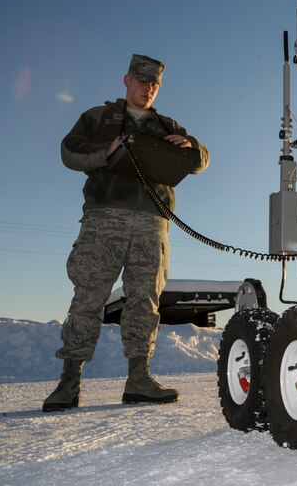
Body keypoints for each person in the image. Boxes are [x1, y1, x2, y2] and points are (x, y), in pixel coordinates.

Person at [43, 54, 210, 412]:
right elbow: (69, 151)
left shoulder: (167, 124)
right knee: (89, 297)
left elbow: (202, 159)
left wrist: (191, 148)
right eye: (141, 81)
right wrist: (107, 150)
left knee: (144, 301)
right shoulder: (98, 118)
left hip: (152, 223)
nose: (147, 88)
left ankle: (139, 379)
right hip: (105, 219)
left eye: (154, 84)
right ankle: (68, 383)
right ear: (126, 80)